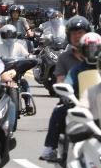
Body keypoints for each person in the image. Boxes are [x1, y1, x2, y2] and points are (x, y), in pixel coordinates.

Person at [39, 16, 92, 160]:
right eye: (74, 33)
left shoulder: (96, 55)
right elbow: (61, 80)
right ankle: (50, 147)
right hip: (73, 99)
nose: (77, 36)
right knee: (58, 112)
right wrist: (65, 94)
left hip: (95, 99)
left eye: (80, 33)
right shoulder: (64, 58)